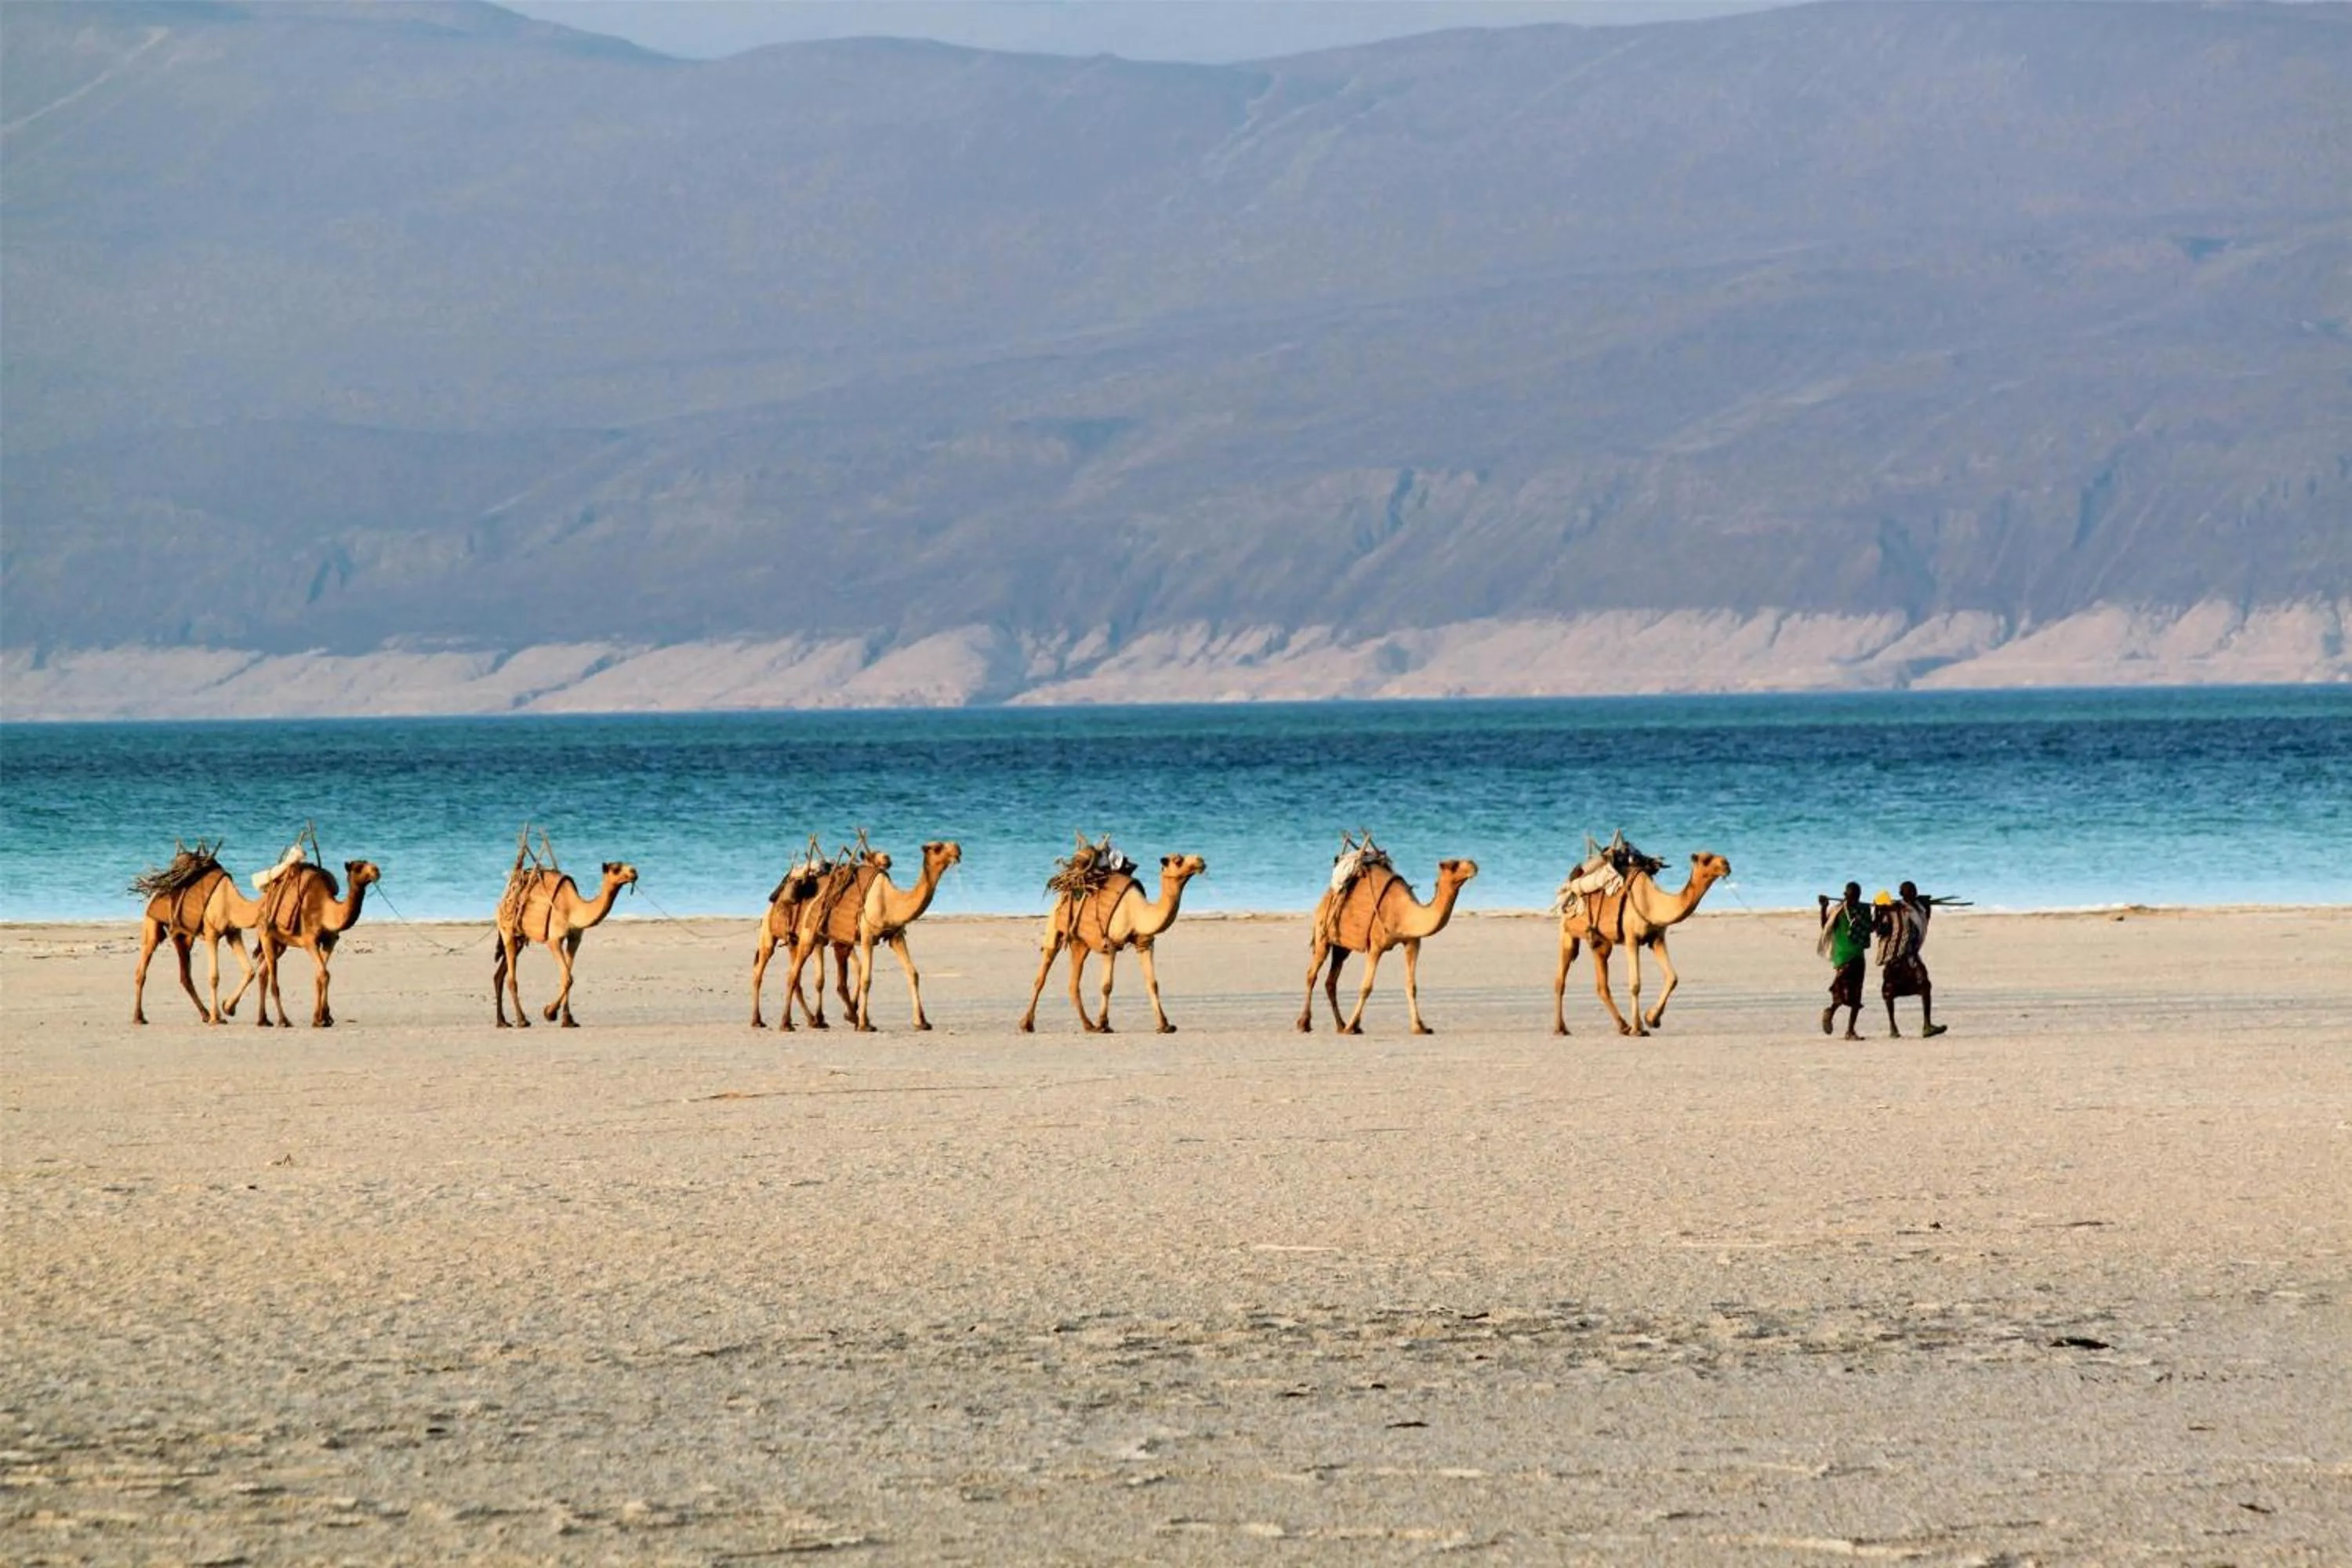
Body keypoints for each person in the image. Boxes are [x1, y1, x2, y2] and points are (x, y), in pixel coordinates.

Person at [1876, 880, 1947, 1039]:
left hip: (1912, 955)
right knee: (1889, 990)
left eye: (1914, 890)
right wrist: (1880, 911)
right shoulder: (1893, 910)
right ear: (1902, 894)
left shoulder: (1919, 908)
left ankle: (1927, 1025)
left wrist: (1926, 904)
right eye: (1908, 891)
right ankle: (1893, 1027)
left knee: (1925, 985)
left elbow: (1924, 920)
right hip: (1895, 955)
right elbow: (1880, 930)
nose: (1912, 893)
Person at [1817, 880, 1871, 1040]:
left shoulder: (1863, 910)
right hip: (1842, 956)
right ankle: (1831, 1010)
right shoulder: (1838, 911)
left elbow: (1871, 927)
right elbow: (1825, 926)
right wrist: (1823, 907)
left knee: (1857, 994)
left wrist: (1883, 910)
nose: (1853, 899)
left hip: (1858, 956)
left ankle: (1850, 1031)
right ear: (1845, 895)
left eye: (1856, 896)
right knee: (1842, 990)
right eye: (1850, 896)